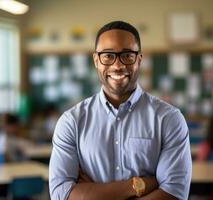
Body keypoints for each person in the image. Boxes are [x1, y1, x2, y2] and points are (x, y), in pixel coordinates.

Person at [49, 21, 192, 200]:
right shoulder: (71, 122)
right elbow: (61, 194)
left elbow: (173, 194)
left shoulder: (169, 119)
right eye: (108, 56)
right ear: (96, 60)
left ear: (139, 59)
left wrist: (92, 193)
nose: (117, 66)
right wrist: (141, 185)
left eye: (127, 55)